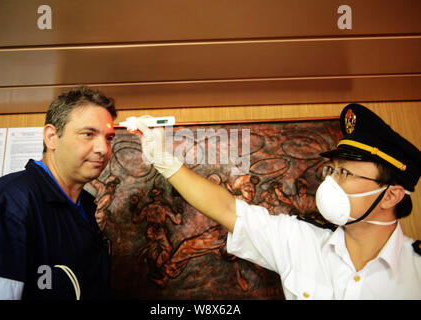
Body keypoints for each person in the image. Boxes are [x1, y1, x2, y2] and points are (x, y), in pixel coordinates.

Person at [135, 104, 421, 299]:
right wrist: (164, 161)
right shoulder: (301, 240)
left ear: (392, 195)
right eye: (331, 170)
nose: (331, 182)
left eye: (345, 172)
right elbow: (226, 209)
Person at [0, 86, 117, 299]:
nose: (103, 149)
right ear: (51, 137)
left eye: (109, 138)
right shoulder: (6, 204)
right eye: (88, 134)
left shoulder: (84, 205)